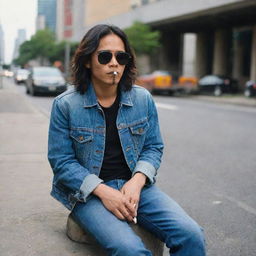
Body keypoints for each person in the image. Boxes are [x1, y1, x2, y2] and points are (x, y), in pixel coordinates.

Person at [48, 24, 206, 256]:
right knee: (129, 249)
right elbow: (61, 162)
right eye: (105, 56)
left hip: (135, 187)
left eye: (121, 57)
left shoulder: (142, 99)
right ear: (87, 61)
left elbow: (153, 147)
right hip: (88, 195)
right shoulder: (65, 105)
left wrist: (138, 180)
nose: (114, 63)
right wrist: (103, 191)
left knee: (191, 235)